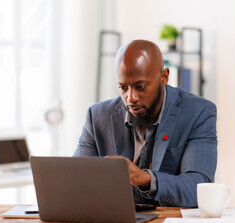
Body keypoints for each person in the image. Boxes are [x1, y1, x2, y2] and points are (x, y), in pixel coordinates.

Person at [74, 39, 217, 207]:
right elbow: (77, 181)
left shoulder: (198, 112)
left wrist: (145, 178)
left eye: (140, 86)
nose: (131, 98)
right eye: (123, 88)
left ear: (164, 78)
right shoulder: (97, 116)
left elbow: (199, 187)